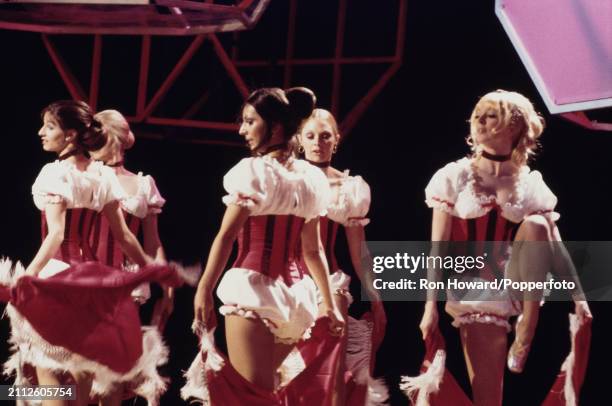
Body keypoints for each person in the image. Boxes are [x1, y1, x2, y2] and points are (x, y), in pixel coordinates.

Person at [1, 100, 181, 406]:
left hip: (59, 281)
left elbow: (57, 235)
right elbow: (125, 236)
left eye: (49, 126)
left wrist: (27, 276)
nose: (41, 132)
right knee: (81, 391)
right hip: (92, 287)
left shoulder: (55, 174)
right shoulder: (102, 178)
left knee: (55, 384)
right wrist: (152, 269)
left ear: (72, 135)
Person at [416, 90, 591, 405]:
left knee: (539, 224)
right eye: (477, 115)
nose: (480, 121)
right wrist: (430, 308)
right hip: (477, 290)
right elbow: (437, 249)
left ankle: (527, 329)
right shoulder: (454, 176)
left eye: (490, 115)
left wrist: (580, 300)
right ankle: (524, 328)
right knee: (489, 398)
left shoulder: (529, 182)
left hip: (520, 281)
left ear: (513, 126)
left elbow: (554, 241)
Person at [184, 87, 344, 404]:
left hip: (254, 293)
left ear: (276, 127)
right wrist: (329, 304)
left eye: (249, 121)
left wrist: (204, 289)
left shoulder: (254, 172)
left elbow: (226, 237)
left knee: (251, 397)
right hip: (296, 301)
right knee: (260, 392)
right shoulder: (311, 179)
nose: (242, 130)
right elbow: (313, 251)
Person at [294, 108, 387, 406]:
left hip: (330, 283)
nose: (317, 142)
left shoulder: (349, 188)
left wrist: (376, 298)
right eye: (310, 136)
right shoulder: (287, 178)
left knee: (331, 371)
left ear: (336, 139)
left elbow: (360, 252)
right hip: (285, 279)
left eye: (324, 136)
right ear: (299, 140)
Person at [88, 109, 174, 405]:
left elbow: (152, 242)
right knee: (76, 376)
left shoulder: (142, 184)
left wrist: (164, 279)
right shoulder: (83, 175)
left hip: (125, 287)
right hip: (84, 281)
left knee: (112, 374)